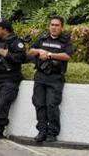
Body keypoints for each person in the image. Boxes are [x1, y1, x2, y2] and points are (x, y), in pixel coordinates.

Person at [28, 15, 73, 143]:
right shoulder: (42, 38)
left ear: (61, 27)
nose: (54, 27)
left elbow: (67, 56)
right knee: (39, 104)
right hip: (40, 76)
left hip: (55, 77)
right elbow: (30, 52)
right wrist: (39, 51)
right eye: (52, 25)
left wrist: (49, 55)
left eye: (57, 25)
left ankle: (52, 133)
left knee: (52, 105)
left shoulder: (65, 40)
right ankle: (42, 131)